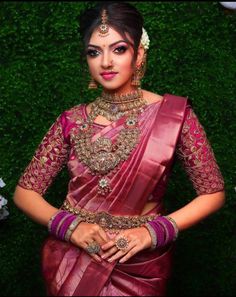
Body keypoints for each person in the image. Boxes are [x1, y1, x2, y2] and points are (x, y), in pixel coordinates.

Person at [13, 2, 225, 296]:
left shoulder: (175, 116)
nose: (106, 62)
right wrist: (71, 227)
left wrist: (152, 232)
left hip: (141, 263)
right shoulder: (71, 120)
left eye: (119, 49)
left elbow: (212, 192)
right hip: (71, 262)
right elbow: (25, 192)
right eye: (94, 52)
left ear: (138, 54)